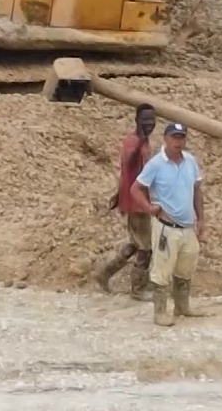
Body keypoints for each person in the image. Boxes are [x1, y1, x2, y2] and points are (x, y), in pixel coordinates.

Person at [130, 121, 208, 327]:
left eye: (181, 137)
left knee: (186, 268)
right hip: (166, 227)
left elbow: (197, 190)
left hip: (187, 227)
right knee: (162, 270)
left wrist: (201, 219)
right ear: (165, 138)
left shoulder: (190, 161)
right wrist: (148, 208)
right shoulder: (156, 164)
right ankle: (160, 311)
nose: (178, 141)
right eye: (174, 137)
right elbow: (136, 188)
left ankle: (182, 306)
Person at [90, 103, 157, 298]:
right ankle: (138, 289)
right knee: (146, 247)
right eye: (145, 120)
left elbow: (127, 172)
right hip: (137, 204)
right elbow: (128, 162)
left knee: (135, 244)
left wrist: (119, 194)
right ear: (137, 121)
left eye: (152, 120)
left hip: (137, 200)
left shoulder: (143, 142)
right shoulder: (134, 142)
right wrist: (140, 141)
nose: (149, 123)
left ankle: (105, 273)